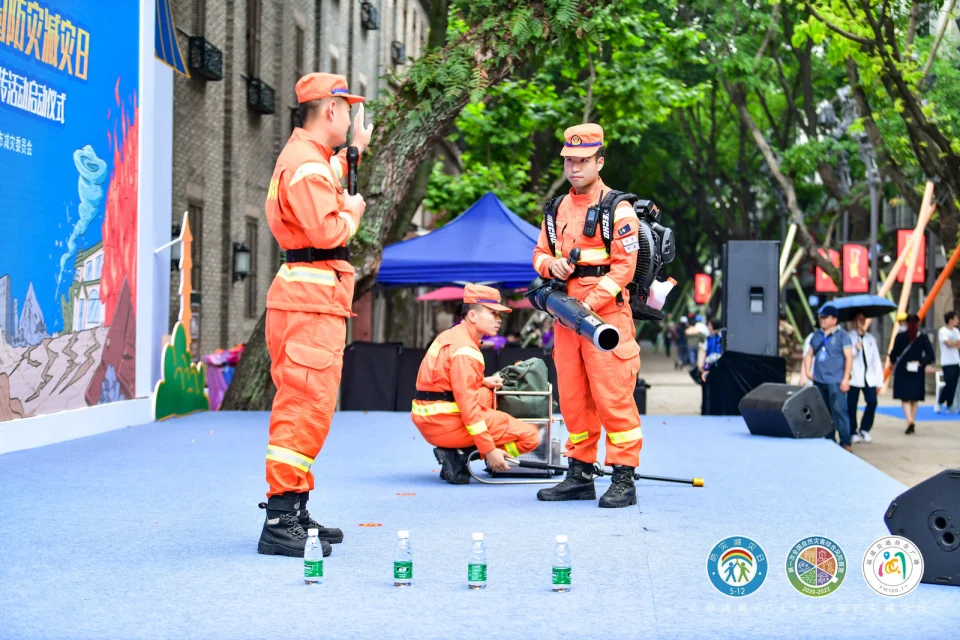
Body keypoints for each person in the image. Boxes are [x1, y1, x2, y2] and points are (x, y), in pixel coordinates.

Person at [257, 73, 373, 558]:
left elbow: (326, 183)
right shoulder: (305, 164)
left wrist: (355, 154)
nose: (350, 119)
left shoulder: (310, 159)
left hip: (310, 301)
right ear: (330, 110)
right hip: (309, 304)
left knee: (310, 407)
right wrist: (355, 212)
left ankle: (295, 508)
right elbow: (327, 229)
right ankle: (281, 519)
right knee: (304, 407)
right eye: (348, 110)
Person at [530, 123, 644, 508]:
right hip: (567, 316)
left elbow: (624, 269)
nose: (574, 167)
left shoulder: (619, 210)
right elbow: (538, 255)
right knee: (575, 398)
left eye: (582, 161)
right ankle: (579, 473)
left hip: (606, 316)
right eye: (568, 160)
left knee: (613, 396)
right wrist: (553, 267)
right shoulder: (556, 208)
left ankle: (624, 476)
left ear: (599, 161)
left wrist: (590, 305)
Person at [411, 285, 541, 484]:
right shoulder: (466, 351)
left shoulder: (450, 336)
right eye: (493, 313)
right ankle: (464, 455)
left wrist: (482, 381)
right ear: (472, 316)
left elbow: (442, 377)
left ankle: (460, 451)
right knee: (531, 437)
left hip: (427, 416)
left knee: (489, 395)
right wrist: (489, 450)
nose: (499, 320)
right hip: (444, 423)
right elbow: (469, 409)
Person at [803, 305, 853, 451]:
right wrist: (807, 372)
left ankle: (845, 441)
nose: (821, 320)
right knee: (823, 412)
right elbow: (809, 353)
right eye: (820, 317)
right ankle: (829, 438)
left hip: (836, 381)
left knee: (839, 411)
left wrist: (845, 379)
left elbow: (848, 358)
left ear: (834, 319)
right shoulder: (817, 335)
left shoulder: (842, 335)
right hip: (819, 380)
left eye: (824, 317)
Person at [890, 314, 935, 434]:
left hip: (903, 370)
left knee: (905, 397)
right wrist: (921, 362)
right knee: (915, 398)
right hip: (917, 370)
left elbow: (894, 354)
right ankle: (911, 420)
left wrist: (895, 364)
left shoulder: (900, 337)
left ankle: (909, 420)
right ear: (918, 323)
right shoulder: (923, 337)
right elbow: (931, 355)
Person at [847, 312, 882, 444]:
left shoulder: (870, 338)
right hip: (854, 377)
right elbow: (848, 356)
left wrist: (879, 381)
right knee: (851, 405)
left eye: (863, 319)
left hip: (869, 377)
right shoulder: (849, 337)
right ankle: (853, 431)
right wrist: (856, 349)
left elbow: (876, 360)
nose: (861, 322)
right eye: (858, 319)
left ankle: (865, 428)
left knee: (872, 402)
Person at [936, 311, 960, 413]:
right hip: (947, 362)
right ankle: (939, 402)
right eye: (956, 318)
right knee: (949, 384)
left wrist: (953, 343)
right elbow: (948, 344)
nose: (957, 320)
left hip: (956, 361)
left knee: (955, 385)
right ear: (950, 320)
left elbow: (958, 345)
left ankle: (950, 405)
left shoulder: (956, 331)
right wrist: (954, 343)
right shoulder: (943, 331)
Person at [778, 312, 799, 383]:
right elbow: (794, 341)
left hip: (778, 351)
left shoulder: (775, 326)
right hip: (787, 352)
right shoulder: (790, 328)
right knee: (788, 370)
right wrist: (790, 348)